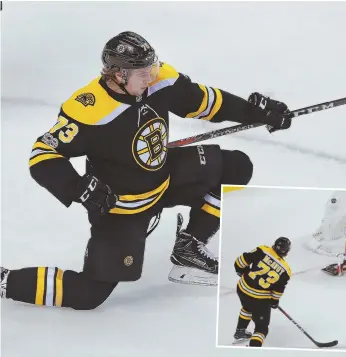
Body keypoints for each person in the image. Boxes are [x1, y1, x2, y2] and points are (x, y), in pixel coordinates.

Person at [0, 31, 293, 309]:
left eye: (151, 67)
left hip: (165, 178)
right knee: (89, 295)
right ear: (118, 74)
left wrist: (257, 112)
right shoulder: (88, 109)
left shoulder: (157, 80)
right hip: (122, 209)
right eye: (143, 72)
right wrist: (79, 187)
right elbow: (42, 153)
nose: (152, 75)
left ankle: (189, 246)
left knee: (237, 166)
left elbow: (204, 102)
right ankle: (6, 281)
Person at [233, 237, 292, 347]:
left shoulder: (262, 250)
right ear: (287, 251)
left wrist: (242, 272)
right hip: (259, 300)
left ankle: (240, 331)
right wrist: (274, 302)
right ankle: (253, 350)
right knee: (262, 328)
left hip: (242, 289)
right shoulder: (286, 271)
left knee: (247, 307)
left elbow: (239, 262)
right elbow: (278, 291)